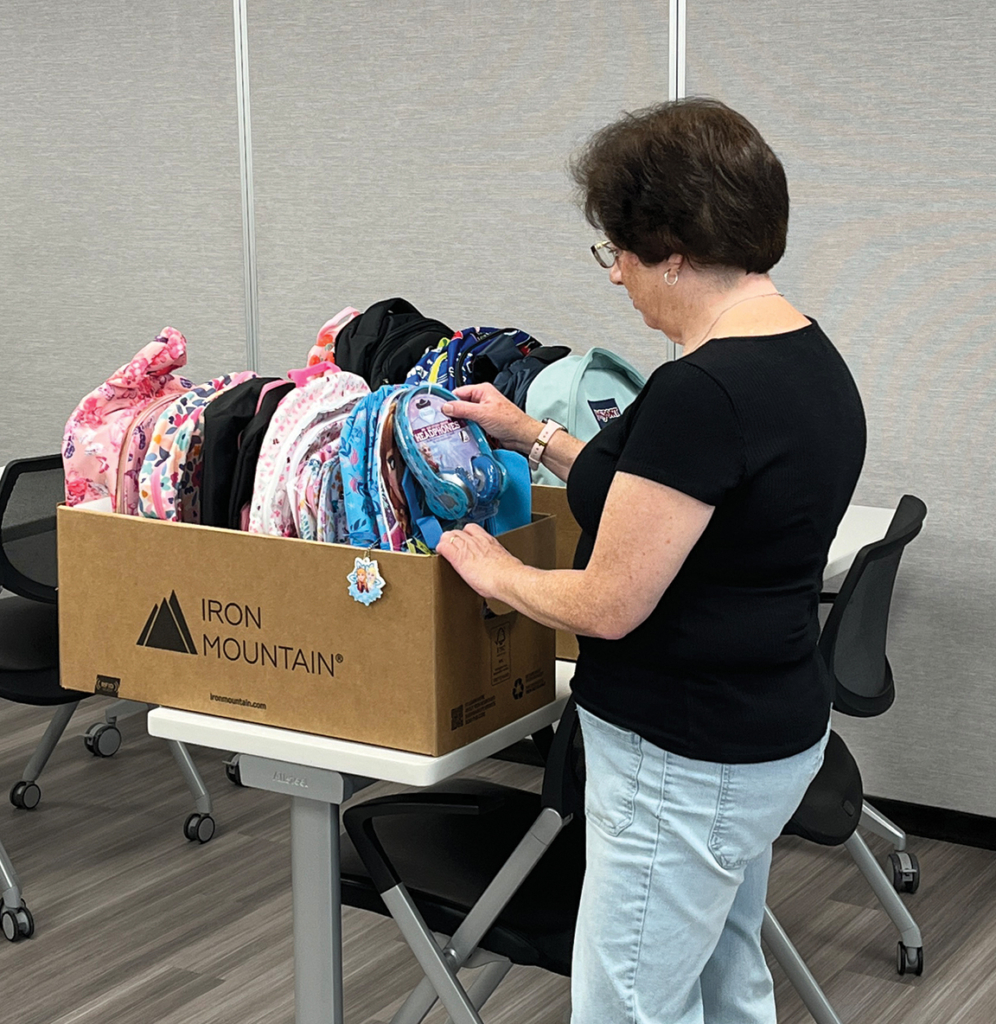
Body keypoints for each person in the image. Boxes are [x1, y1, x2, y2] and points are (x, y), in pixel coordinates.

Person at [436, 97, 866, 1024]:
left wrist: (493, 571)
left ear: (672, 249)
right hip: (765, 734)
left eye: (620, 253)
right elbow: (665, 491)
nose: (618, 278)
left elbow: (613, 600)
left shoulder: (700, 391)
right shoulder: (806, 357)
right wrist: (532, 435)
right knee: (725, 974)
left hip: (684, 756)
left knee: (628, 1002)